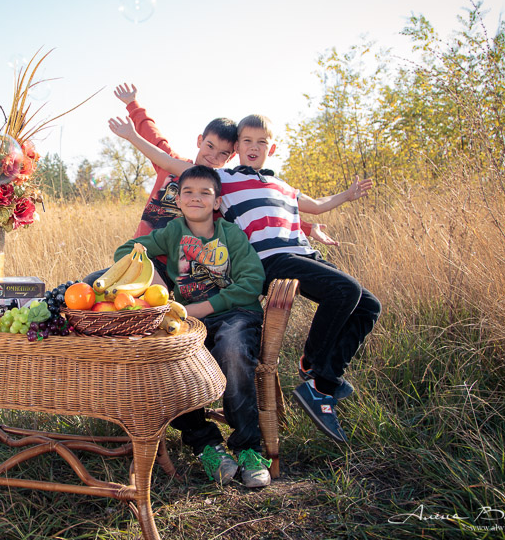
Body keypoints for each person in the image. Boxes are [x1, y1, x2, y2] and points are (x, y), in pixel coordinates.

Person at [108, 114, 381, 444]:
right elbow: (167, 161)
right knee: (345, 289)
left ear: (272, 147)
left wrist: (345, 197)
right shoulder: (226, 180)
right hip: (274, 259)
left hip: (302, 254)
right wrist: (131, 135)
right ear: (237, 149)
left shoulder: (281, 185)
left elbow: (310, 207)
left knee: (368, 305)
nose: (254, 147)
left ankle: (321, 373)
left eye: (261, 142)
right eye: (247, 142)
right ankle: (315, 375)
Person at [112, 165, 272, 487]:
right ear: (179, 200)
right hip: (189, 322)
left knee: (232, 348)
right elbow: (126, 251)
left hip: (236, 314)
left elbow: (253, 280)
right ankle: (205, 444)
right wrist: (152, 281)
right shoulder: (173, 232)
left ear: (216, 202)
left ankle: (249, 448)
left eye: (204, 192)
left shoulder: (230, 234)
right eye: (188, 192)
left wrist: (202, 306)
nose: (195, 198)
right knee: (167, 357)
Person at [84, 84, 238, 290]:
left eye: (222, 154)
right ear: (200, 141)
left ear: (231, 157)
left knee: (135, 299)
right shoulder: (170, 164)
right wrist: (132, 104)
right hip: (139, 253)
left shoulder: (219, 190)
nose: (213, 157)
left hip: (176, 267)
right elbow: (153, 137)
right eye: (210, 146)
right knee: (92, 284)